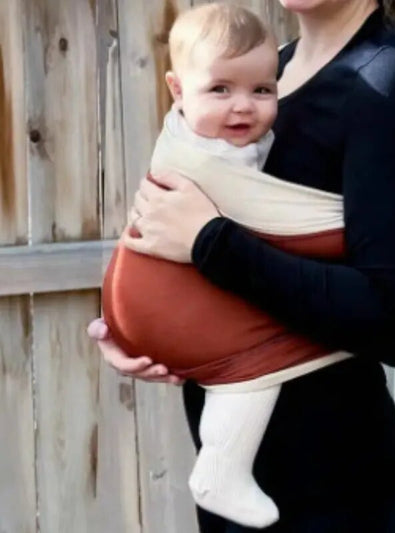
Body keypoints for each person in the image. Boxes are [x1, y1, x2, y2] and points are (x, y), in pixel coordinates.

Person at [88, 0, 395, 531]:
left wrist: (209, 241)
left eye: (259, 95)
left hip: (327, 485)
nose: (248, 102)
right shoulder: (265, 69)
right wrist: (131, 323)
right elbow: (194, 228)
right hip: (234, 470)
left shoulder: (389, 82)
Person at [102, 4, 355, 528]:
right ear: (177, 90)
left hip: (148, 300)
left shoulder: (207, 137)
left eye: (262, 91)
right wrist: (358, 220)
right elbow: (274, 216)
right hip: (164, 300)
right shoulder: (209, 159)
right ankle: (222, 467)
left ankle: (223, 465)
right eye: (220, 90)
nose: (244, 107)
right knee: (261, 361)